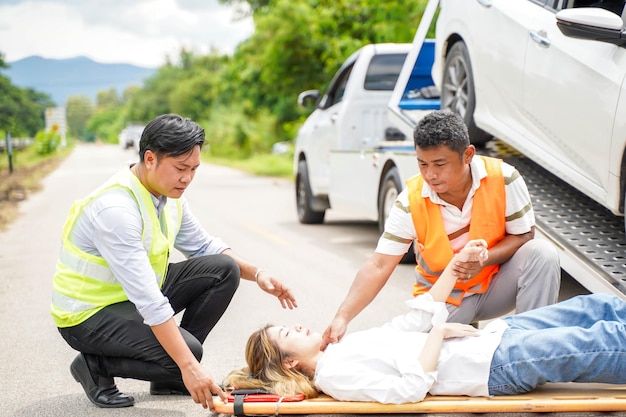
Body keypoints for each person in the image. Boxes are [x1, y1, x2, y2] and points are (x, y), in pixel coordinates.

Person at [51, 113, 297, 411]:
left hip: (127, 300)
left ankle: (169, 376)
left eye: (194, 169)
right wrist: (188, 364)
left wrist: (258, 274)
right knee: (189, 355)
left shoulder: (169, 196)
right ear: (150, 158)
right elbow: (150, 300)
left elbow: (205, 247)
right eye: (181, 168)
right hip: (87, 315)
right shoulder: (116, 209)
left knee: (224, 269)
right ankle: (95, 366)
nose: (188, 178)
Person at [224, 240, 626, 404]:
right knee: (605, 341)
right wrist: (441, 332)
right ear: (291, 363)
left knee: (598, 309)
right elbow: (409, 390)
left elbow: (413, 320)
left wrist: (454, 266)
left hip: (494, 339)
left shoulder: (344, 348)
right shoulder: (336, 377)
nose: (297, 327)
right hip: (493, 365)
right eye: (287, 335)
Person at [321, 110, 560, 349]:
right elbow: (379, 265)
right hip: (443, 300)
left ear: (467, 155)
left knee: (543, 254)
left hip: (494, 287)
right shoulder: (409, 202)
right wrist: (343, 316)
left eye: (439, 164)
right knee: (408, 355)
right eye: (422, 163)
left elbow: (524, 235)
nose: (429, 174)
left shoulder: (505, 178)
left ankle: (530, 349)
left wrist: (484, 261)